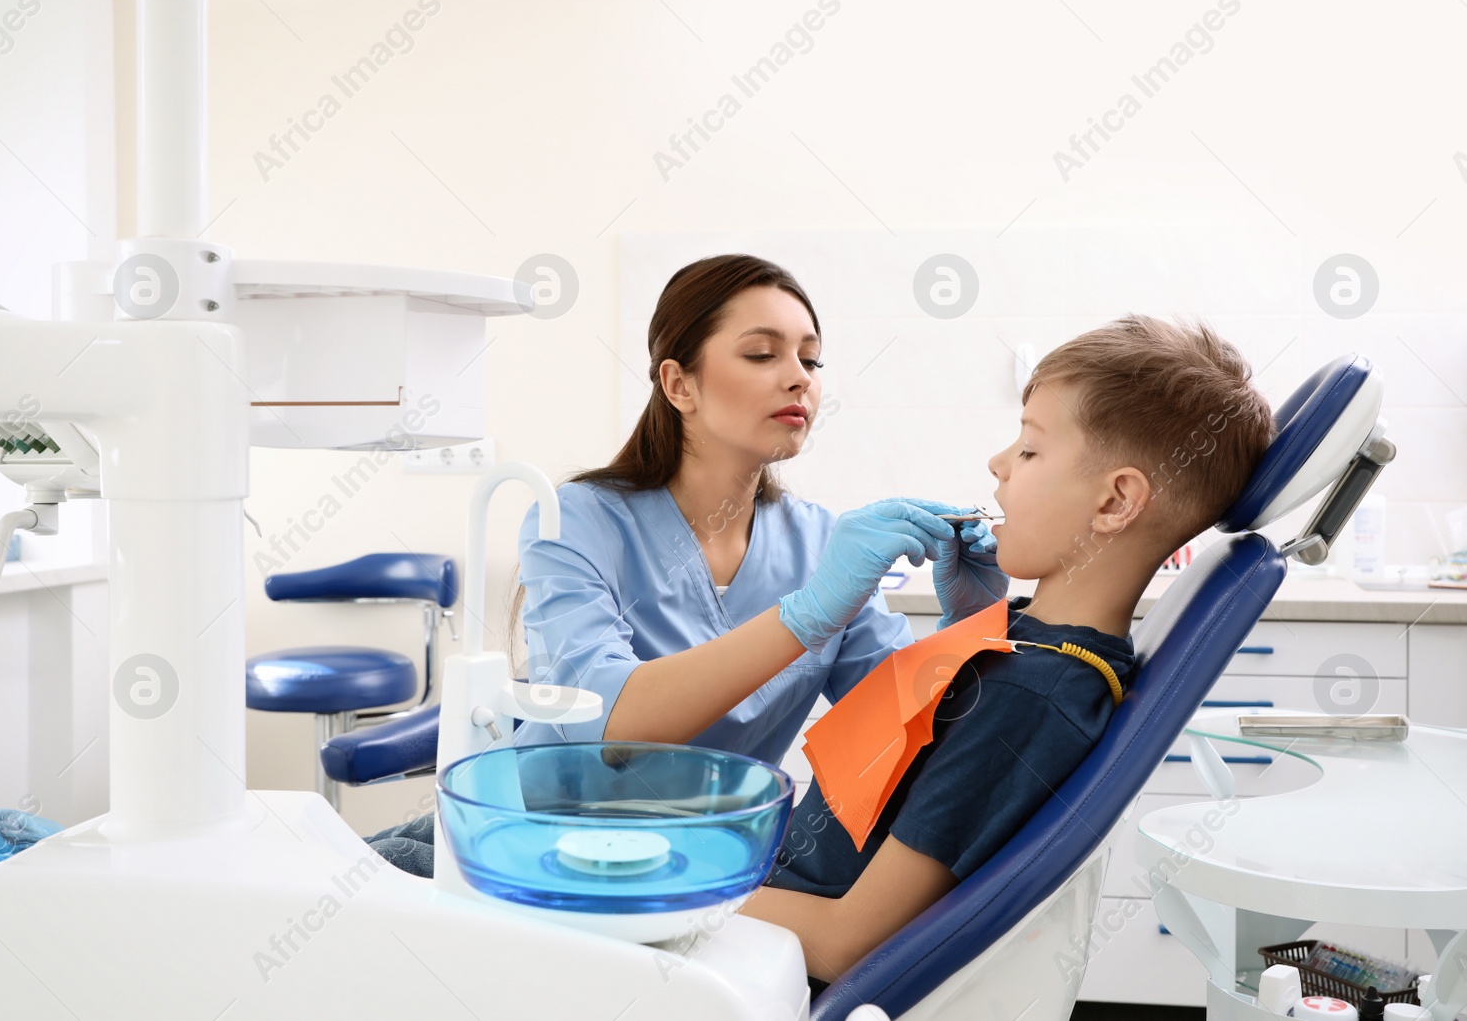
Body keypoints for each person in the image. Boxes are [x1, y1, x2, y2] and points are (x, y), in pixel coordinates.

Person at [364, 254, 1007, 872]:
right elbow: (610, 723)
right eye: (762, 354)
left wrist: (973, 623)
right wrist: (807, 616)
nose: (799, 378)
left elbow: (906, 732)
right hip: (526, 840)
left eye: (810, 359)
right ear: (678, 384)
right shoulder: (579, 518)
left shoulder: (819, 543)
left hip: (693, 861)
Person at [735, 314, 1275, 991]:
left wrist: (695, 900)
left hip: (773, 964)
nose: (997, 463)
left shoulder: (1033, 693)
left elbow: (850, 943)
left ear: (1115, 500)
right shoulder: (1034, 645)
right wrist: (964, 625)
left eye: (1028, 449)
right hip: (772, 909)